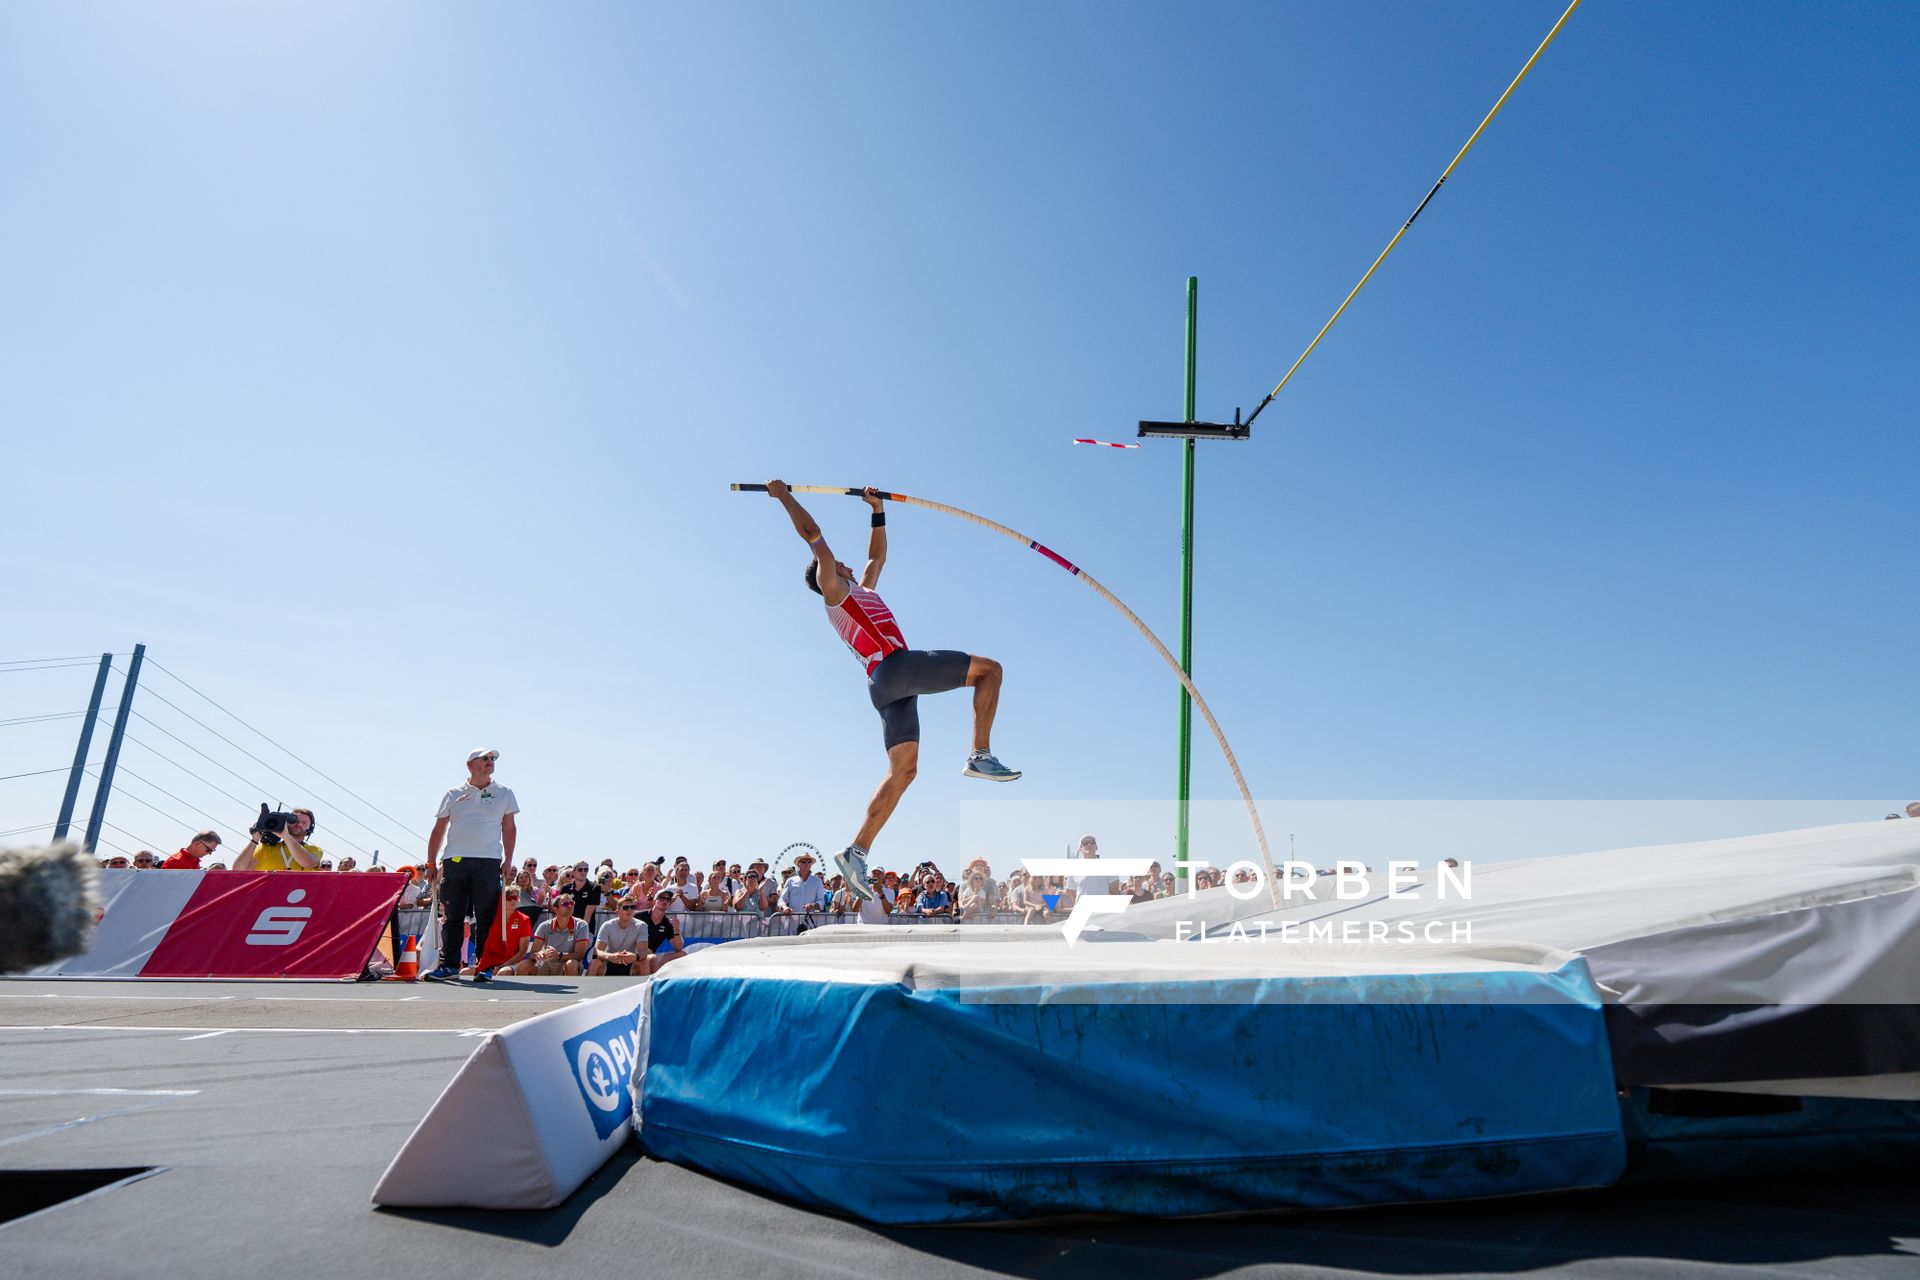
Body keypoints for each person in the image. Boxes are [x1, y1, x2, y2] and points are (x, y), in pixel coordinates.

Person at [762, 480, 1020, 902]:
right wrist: (784, 496)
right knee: (989, 671)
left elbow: (875, 556)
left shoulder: (860, 590)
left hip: (888, 688)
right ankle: (980, 754)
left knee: (904, 772)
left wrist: (877, 509)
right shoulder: (833, 590)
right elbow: (813, 537)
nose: (842, 563)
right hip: (894, 667)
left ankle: (857, 850)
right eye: (836, 563)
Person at [424, 749, 520, 983]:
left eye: (493, 759)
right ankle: (449, 965)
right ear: (471, 765)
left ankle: (484, 966)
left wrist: (508, 860)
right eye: (485, 759)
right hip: (455, 860)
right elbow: (439, 829)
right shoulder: (453, 793)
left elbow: (509, 828)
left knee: (486, 915)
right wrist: (430, 862)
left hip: (488, 862)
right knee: (453, 915)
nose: (490, 763)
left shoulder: (504, 793)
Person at [471, 886, 534, 977]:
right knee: (464, 972)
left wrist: (503, 965)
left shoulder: (524, 919)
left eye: (515, 898)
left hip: (513, 963)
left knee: (503, 972)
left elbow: (522, 951)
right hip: (491, 962)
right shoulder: (492, 918)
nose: (513, 901)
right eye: (509, 898)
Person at [232, 809, 322, 871]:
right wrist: (255, 838)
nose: (298, 824)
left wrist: (286, 836)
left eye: (304, 823)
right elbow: (238, 869)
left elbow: (307, 862)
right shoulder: (266, 848)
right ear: (287, 823)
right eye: (295, 821)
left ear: (310, 828)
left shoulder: (314, 850)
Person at [528, 894, 590, 976]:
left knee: (572, 964)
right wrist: (538, 955)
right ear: (555, 909)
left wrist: (559, 955)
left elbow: (580, 955)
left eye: (572, 903)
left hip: (567, 963)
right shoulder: (544, 926)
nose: (570, 906)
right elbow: (532, 953)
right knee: (524, 965)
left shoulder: (581, 925)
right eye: (565, 904)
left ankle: (572, 989)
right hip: (547, 962)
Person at [589, 897, 648, 977]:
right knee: (595, 962)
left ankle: (645, 989)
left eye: (632, 907)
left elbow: (643, 952)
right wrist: (610, 956)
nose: (629, 910)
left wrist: (635, 956)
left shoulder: (641, 926)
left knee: (644, 962)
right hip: (610, 961)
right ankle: (590, 988)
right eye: (626, 908)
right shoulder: (607, 925)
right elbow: (597, 951)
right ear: (617, 911)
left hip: (630, 962)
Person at [641, 890, 687, 974]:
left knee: (682, 955)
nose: (665, 901)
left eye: (668, 899)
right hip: (635, 952)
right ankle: (652, 979)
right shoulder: (640, 916)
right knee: (650, 954)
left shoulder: (667, 923)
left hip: (652, 956)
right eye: (662, 898)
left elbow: (678, 948)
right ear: (654, 901)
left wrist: (676, 930)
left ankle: (659, 979)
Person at [778, 851, 828, 917]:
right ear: (798, 864)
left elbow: (821, 901)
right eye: (803, 861)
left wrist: (813, 905)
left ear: (811, 865)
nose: (806, 863)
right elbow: (781, 900)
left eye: (809, 862)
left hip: (810, 921)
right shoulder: (790, 881)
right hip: (792, 919)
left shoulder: (817, 881)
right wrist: (785, 908)